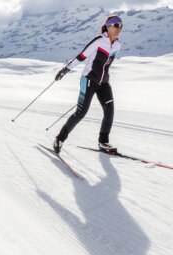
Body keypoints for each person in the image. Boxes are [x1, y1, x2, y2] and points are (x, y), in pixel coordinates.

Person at [52, 15, 123, 154]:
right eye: (116, 25)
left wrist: (105, 77)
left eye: (121, 26)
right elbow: (81, 56)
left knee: (109, 111)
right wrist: (66, 69)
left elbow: (106, 66)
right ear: (109, 26)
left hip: (104, 83)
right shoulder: (98, 41)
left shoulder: (117, 45)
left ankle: (103, 142)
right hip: (89, 80)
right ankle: (59, 139)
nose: (119, 29)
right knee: (80, 113)